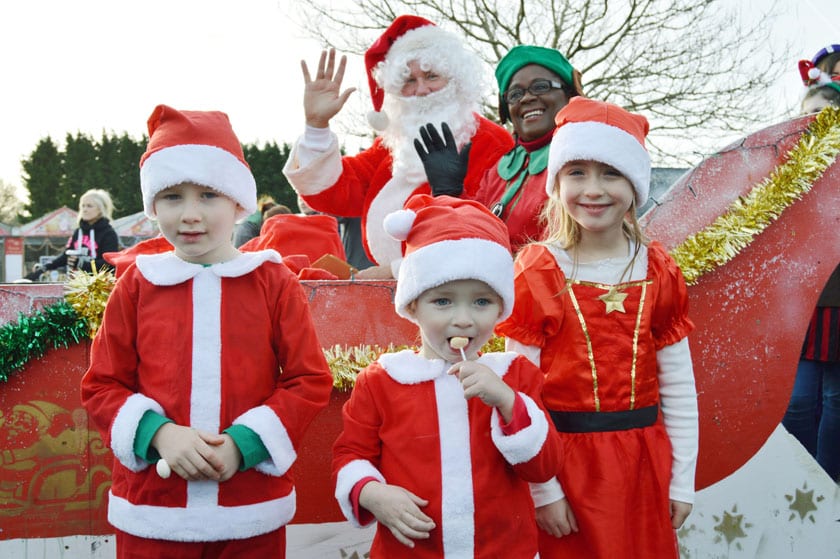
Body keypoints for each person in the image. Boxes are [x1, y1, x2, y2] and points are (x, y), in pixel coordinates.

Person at [80, 104, 334, 558]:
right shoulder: (137, 284)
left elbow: (308, 380)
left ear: (238, 202)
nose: (190, 215)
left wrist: (245, 444)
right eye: (173, 197)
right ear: (152, 203)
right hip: (154, 513)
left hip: (249, 509)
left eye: (208, 196)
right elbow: (103, 385)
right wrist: (159, 435)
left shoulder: (272, 282)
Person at [495, 97, 699, 558]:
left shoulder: (657, 270)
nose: (593, 189)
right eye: (577, 173)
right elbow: (519, 396)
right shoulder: (538, 270)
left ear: (634, 183)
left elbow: (680, 388)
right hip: (565, 467)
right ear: (557, 182)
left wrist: (681, 481)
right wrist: (544, 490)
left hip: (643, 468)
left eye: (610, 173)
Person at [332, 194, 563, 557]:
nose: (464, 319)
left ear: (502, 306)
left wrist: (506, 401)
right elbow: (350, 454)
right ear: (412, 304)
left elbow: (544, 465)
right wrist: (372, 493)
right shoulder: (382, 381)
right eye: (443, 301)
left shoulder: (514, 375)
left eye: (482, 302)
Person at [282, 15, 514, 278]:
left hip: (458, 294)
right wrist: (316, 126)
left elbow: (492, 234)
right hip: (389, 293)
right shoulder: (391, 145)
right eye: (409, 81)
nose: (422, 90)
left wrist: (394, 272)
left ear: (455, 78)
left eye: (431, 76)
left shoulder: (492, 142)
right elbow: (337, 191)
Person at [469, 45, 584, 251]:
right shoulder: (497, 172)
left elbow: (562, 248)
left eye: (540, 87)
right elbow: (470, 233)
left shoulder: (584, 157)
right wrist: (447, 192)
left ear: (569, 94)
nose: (526, 98)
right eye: (514, 94)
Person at [782, 265, 840, 482]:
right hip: (800, 294)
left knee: (836, 399)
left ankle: (826, 481)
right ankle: (806, 475)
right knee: (796, 401)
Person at [26, 188, 119, 279]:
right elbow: (66, 256)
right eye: (83, 206)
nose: (84, 209)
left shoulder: (109, 234)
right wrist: (45, 267)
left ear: (100, 210)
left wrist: (82, 264)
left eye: (89, 206)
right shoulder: (78, 232)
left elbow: (110, 264)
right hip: (77, 285)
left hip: (100, 288)